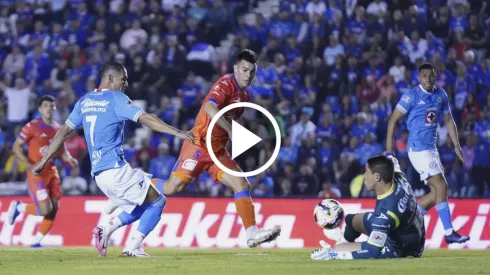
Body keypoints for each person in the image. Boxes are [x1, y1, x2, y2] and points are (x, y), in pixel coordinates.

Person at [106, 49, 281, 248]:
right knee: (172, 187)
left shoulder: (245, 95)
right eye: (244, 70)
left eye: (252, 72)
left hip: (217, 152)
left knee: (241, 184)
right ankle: (135, 182)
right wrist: (232, 130)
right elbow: (210, 108)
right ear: (235, 69)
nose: (248, 75)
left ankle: (252, 233)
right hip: (198, 144)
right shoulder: (225, 83)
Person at [31, 61, 194, 257]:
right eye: (123, 79)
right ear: (110, 78)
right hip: (115, 170)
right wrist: (176, 132)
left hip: (99, 174)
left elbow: (63, 132)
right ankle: (132, 247)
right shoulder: (116, 98)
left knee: (144, 191)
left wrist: (43, 160)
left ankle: (107, 226)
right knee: (157, 202)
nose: (125, 84)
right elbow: (145, 118)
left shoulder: (85, 101)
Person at [385, 63, 469, 244]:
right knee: (441, 186)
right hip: (418, 149)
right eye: (424, 76)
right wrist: (389, 152)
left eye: (431, 75)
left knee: (435, 194)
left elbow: (448, 119)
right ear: (419, 77)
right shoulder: (411, 96)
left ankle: (404, 224)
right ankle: (449, 233)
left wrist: (456, 145)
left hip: (431, 149)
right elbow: (393, 120)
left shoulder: (441, 95)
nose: (428, 79)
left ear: (435, 76)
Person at [311, 155, 425, 260]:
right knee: (351, 219)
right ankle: (342, 242)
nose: (364, 176)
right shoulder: (398, 178)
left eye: (367, 172)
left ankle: (340, 247)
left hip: (402, 248)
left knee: (337, 249)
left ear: (377, 177)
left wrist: (334, 254)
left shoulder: (385, 214)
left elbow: (372, 252)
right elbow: (391, 158)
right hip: (412, 233)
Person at [7, 95, 78, 248]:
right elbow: (16, 146)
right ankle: (19, 207)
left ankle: (36, 242)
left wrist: (69, 158)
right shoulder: (32, 126)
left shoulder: (59, 128)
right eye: (46, 105)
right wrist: (27, 163)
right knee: (45, 209)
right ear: (40, 109)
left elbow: (61, 150)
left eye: (52, 106)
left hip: (52, 172)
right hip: (37, 173)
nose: (49, 108)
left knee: (54, 208)